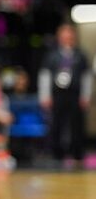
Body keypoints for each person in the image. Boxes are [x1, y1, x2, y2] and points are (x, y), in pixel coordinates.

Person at [39, 24, 92, 165]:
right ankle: (57, 154)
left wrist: (86, 96)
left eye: (69, 35)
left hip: (75, 94)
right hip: (57, 94)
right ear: (59, 37)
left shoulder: (80, 55)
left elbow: (87, 77)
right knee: (57, 124)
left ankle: (77, 153)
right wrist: (45, 96)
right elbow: (45, 76)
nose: (67, 38)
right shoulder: (52, 55)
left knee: (77, 125)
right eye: (64, 35)